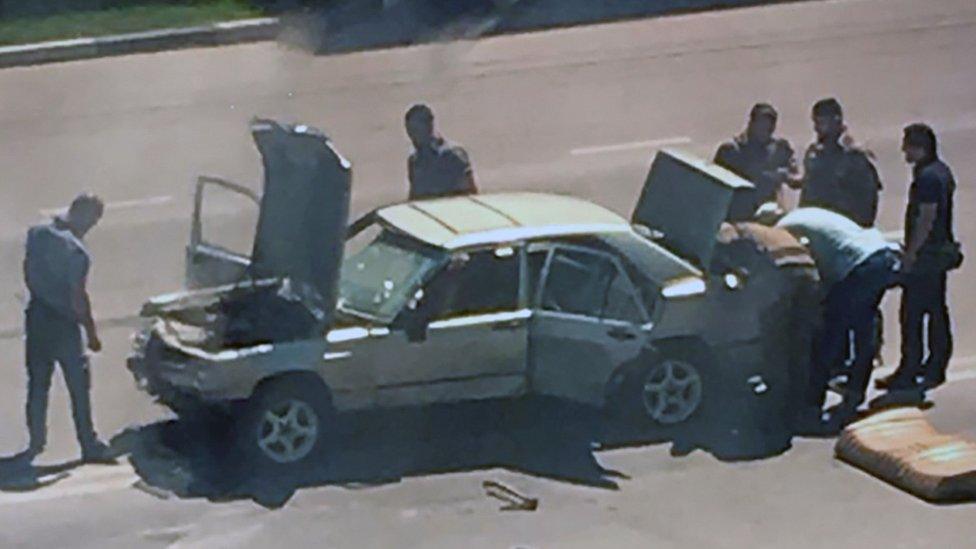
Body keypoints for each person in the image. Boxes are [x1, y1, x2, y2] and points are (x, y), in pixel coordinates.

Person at [774, 207, 900, 428]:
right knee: (863, 326)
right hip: (880, 255)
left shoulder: (783, 230)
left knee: (828, 336)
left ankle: (811, 407)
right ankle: (854, 393)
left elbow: (804, 268)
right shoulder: (805, 214)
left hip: (858, 265)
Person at [21, 193, 113, 463]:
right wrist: (92, 333)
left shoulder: (37, 234)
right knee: (78, 385)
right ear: (83, 215)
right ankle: (89, 444)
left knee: (38, 384)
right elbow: (78, 296)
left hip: (36, 316)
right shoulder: (76, 251)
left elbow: (27, 271)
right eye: (94, 219)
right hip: (63, 324)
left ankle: (36, 441)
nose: (93, 225)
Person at [877, 124, 958, 392]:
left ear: (919, 147)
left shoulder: (928, 178)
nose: (903, 150)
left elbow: (926, 217)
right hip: (936, 254)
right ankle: (933, 365)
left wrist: (911, 254)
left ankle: (911, 368)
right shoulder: (939, 172)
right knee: (935, 310)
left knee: (912, 314)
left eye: (908, 145)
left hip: (927, 257)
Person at [792, 98, 882, 228]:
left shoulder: (854, 156)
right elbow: (808, 188)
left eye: (821, 122)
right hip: (815, 227)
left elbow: (868, 199)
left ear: (836, 120)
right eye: (815, 122)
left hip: (843, 229)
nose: (816, 128)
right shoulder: (814, 153)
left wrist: (860, 229)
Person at [714, 103, 798, 221]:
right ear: (751, 123)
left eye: (770, 127)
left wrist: (784, 176)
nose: (766, 131)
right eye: (762, 126)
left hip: (768, 216)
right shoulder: (730, 150)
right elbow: (715, 185)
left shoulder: (780, 149)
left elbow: (795, 180)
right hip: (736, 218)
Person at [405, 103, 478, 200]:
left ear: (429, 126)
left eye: (416, 130)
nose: (412, 137)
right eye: (409, 132)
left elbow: (470, 193)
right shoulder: (415, 161)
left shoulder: (453, 155)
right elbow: (414, 196)